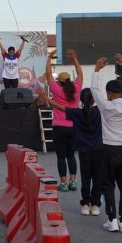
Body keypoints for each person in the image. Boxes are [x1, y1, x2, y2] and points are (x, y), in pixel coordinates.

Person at [39, 87, 103, 216]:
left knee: (85, 177)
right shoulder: (99, 111)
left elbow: (60, 107)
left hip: (84, 150)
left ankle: (85, 204)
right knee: (98, 178)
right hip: (98, 149)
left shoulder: (77, 113)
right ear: (94, 100)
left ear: (81, 100)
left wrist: (46, 98)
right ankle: (95, 204)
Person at [91, 53, 122, 233]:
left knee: (108, 186)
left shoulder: (105, 105)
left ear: (109, 94)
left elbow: (94, 90)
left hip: (108, 150)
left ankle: (112, 220)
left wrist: (96, 69)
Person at [44, 49, 82, 192]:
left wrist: (49, 57)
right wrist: (74, 58)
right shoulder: (77, 89)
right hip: (74, 127)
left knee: (61, 157)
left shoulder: (57, 90)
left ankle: (64, 183)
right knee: (71, 155)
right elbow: (80, 73)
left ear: (59, 81)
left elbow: (48, 74)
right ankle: (73, 182)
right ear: (70, 80)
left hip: (59, 127)